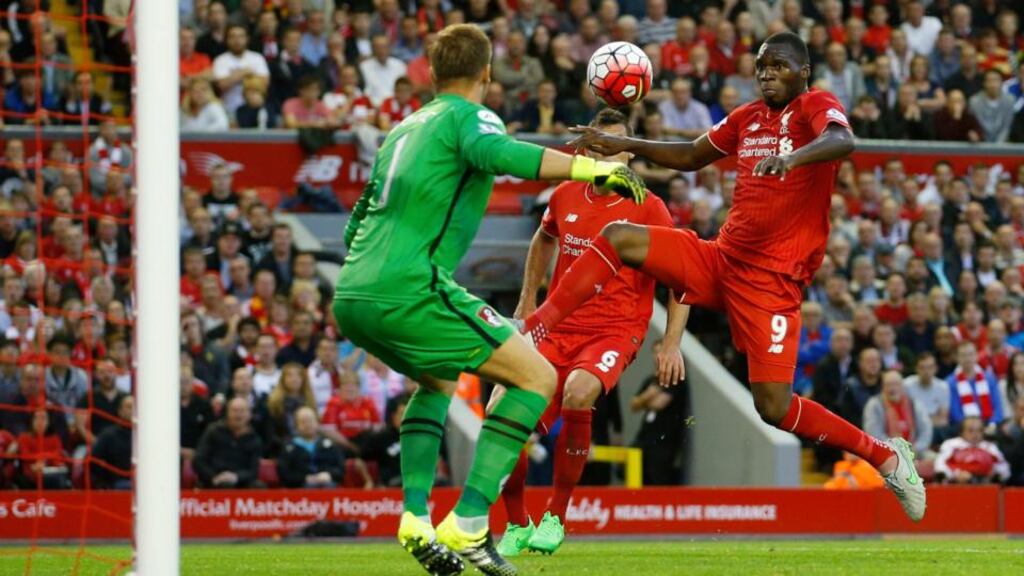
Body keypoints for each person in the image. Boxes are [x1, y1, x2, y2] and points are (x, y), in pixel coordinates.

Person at [524, 32, 926, 522]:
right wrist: (622, 143)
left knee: (773, 406)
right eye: (760, 66)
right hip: (722, 260)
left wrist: (792, 158)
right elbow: (692, 155)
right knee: (619, 235)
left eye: (777, 66)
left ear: (803, 72)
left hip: (771, 284)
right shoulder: (746, 118)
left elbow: (845, 139)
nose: (766, 74)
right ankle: (540, 324)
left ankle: (885, 456)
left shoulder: (813, 107)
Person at [333, 24, 646, 574]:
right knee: (537, 378)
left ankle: (413, 517)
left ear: (431, 73)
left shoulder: (403, 128)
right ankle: (472, 519)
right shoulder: (467, 116)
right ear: (486, 72)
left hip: (353, 290)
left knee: (435, 381)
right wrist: (596, 167)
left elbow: (357, 219)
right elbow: (501, 153)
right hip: (413, 286)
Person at [495, 109, 687, 556]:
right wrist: (528, 301)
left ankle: (556, 517)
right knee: (504, 417)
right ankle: (517, 523)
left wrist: (672, 341)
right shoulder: (564, 195)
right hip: (557, 327)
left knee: (580, 392)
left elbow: (683, 277)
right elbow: (544, 239)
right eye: (602, 147)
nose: (614, 156)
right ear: (585, 152)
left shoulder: (649, 208)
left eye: (621, 148)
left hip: (614, 330)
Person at [193, 396, 264, 488]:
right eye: (234, 410)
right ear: (227, 413)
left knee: (259, 487)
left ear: (249, 415)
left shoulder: (254, 439)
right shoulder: (213, 431)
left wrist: (236, 477)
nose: (238, 415)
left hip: (240, 481)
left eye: (242, 411)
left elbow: (253, 470)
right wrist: (213, 477)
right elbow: (199, 461)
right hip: (213, 480)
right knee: (225, 485)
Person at [863, 370, 933, 457]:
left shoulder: (914, 403)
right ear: (882, 387)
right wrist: (896, 450)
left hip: (915, 452)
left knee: (937, 462)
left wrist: (915, 448)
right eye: (888, 385)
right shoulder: (874, 405)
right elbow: (873, 433)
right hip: (886, 454)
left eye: (896, 384)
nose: (892, 389)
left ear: (902, 386)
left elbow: (926, 430)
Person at [276, 406, 345, 488]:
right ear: (296, 426)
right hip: (300, 488)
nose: (308, 424)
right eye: (303, 422)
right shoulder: (289, 448)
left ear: (317, 422)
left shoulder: (330, 445)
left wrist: (329, 474)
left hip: (327, 484)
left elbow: (341, 470)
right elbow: (284, 474)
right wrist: (305, 478)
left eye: (310, 420)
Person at [935, 416, 1011, 484]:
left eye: (979, 430)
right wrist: (956, 474)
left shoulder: (990, 447)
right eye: (970, 431)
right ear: (961, 432)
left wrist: (994, 474)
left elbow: (1004, 467)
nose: (975, 434)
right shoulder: (951, 444)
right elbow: (940, 466)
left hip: (985, 485)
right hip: (956, 486)